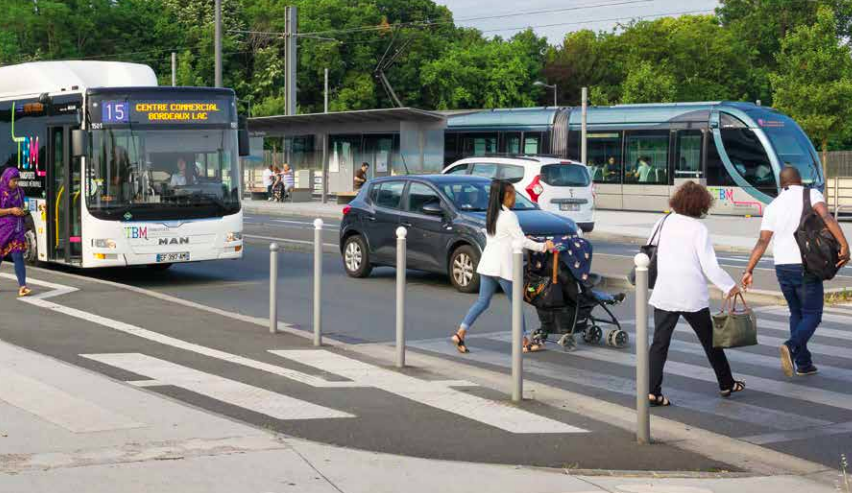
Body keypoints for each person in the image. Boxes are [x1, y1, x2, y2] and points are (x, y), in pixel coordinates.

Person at [742, 167, 850, 377]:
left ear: (781, 183)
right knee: (813, 315)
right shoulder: (811, 194)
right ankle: (792, 346)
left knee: (796, 313)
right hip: (805, 264)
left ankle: (803, 363)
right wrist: (844, 245)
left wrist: (749, 270)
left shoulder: (773, 206)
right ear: (799, 180)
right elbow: (826, 217)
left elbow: (763, 241)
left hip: (782, 266)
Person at [647, 181, 744, 407]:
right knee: (710, 341)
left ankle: (652, 391)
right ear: (700, 205)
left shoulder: (663, 221)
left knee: (659, 343)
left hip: (665, 290)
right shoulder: (698, 229)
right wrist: (730, 286)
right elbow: (709, 266)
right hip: (691, 293)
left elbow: (649, 249)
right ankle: (726, 383)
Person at [451, 179, 555, 354]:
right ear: (505, 196)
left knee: (482, 302)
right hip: (502, 268)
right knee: (516, 304)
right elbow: (521, 241)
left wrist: (523, 238)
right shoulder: (509, 216)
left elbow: (504, 237)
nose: (514, 198)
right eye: (512, 194)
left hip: (487, 265)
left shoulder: (492, 214)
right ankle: (524, 342)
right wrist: (544, 246)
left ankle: (460, 333)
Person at [0, 167, 31, 297]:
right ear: (7, 179)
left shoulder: (20, 191)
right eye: (14, 180)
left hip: (17, 229)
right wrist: (11, 210)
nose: (16, 183)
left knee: (18, 256)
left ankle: (23, 286)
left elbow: (23, 206)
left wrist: (23, 212)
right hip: (3, 231)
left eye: (17, 180)